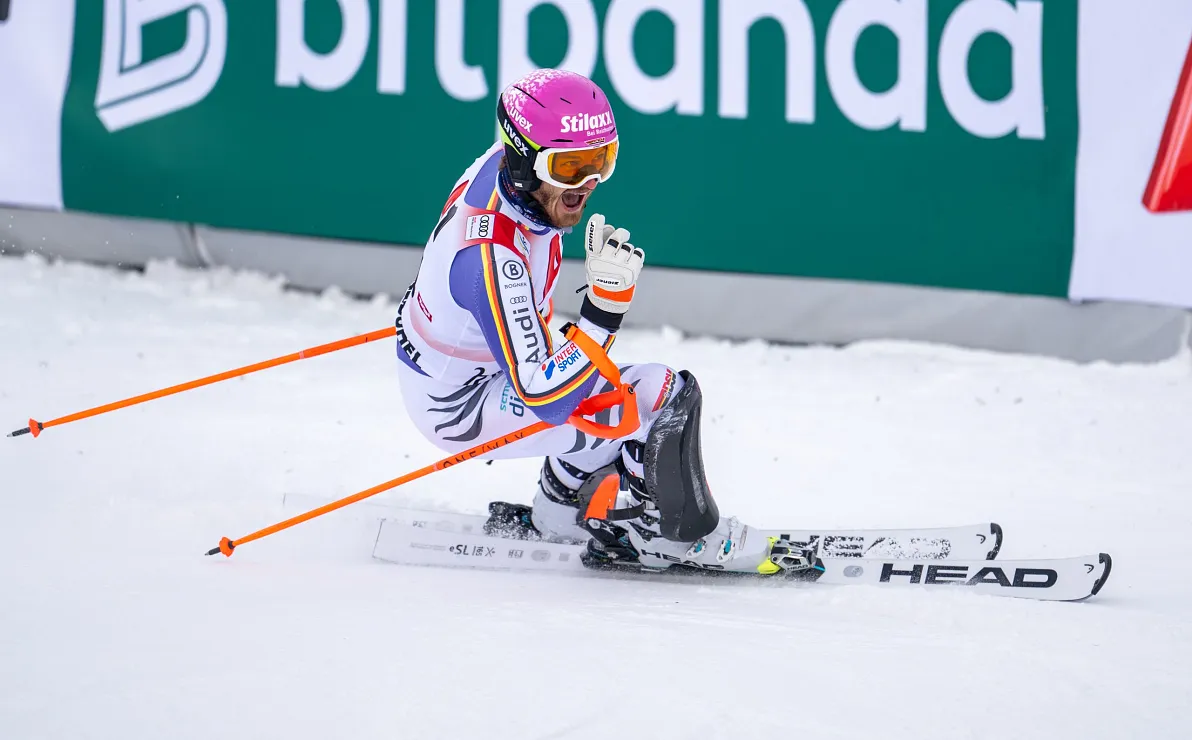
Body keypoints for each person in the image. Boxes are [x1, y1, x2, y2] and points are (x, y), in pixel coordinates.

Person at [393, 69, 802, 575]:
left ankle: (561, 507)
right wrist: (603, 311)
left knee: (598, 390)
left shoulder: (512, 178)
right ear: (523, 161)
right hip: (462, 404)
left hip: (464, 367)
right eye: (570, 166)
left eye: (600, 161)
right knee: (662, 397)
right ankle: (677, 535)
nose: (587, 185)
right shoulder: (490, 256)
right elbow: (545, 395)